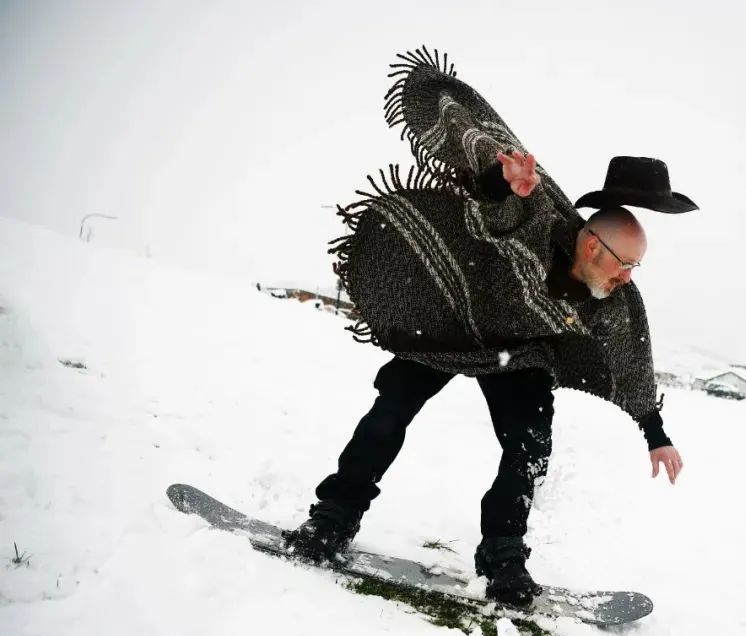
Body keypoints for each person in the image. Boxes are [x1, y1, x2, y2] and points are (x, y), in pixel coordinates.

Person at [283, 47, 697, 605]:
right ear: (591, 245)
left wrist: (655, 434)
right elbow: (494, 217)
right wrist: (505, 187)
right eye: (622, 263)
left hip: (519, 353)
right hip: (453, 327)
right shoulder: (540, 219)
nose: (627, 277)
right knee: (388, 416)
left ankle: (502, 555)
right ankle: (333, 517)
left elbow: (629, 360)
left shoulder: (613, 299)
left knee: (530, 445)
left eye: (634, 268)